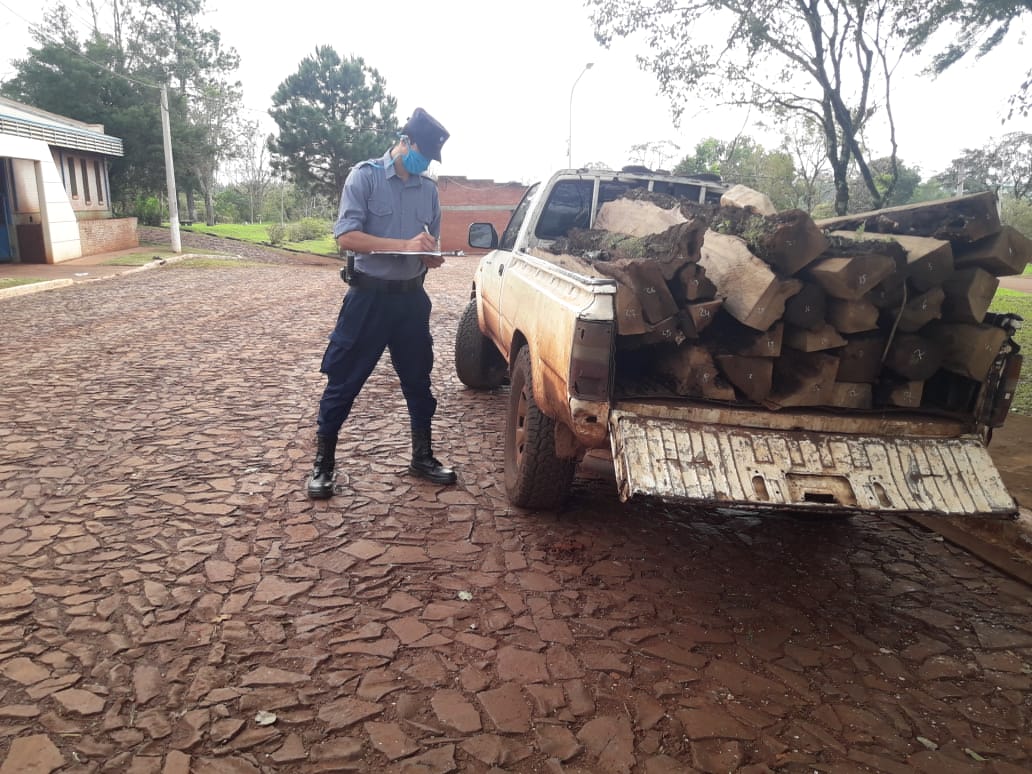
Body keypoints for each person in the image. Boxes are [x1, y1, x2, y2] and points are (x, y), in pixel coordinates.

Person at [306, 107, 457, 499]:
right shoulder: (366, 177)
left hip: (410, 302)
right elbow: (346, 237)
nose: (425, 163)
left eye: (430, 159)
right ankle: (323, 464)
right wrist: (402, 245)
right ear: (405, 141)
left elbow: (429, 245)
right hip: (368, 299)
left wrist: (429, 255)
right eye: (422, 153)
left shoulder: (428, 191)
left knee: (419, 382)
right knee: (343, 382)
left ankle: (422, 456)